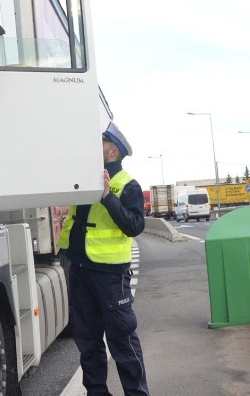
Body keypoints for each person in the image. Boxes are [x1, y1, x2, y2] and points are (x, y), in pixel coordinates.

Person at [57, 121, 150, 396]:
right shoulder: (84, 180)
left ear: (112, 153)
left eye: (99, 144)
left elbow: (134, 226)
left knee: (122, 339)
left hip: (110, 275)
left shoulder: (127, 185)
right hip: (80, 269)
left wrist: (108, 197)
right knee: (87, 341)